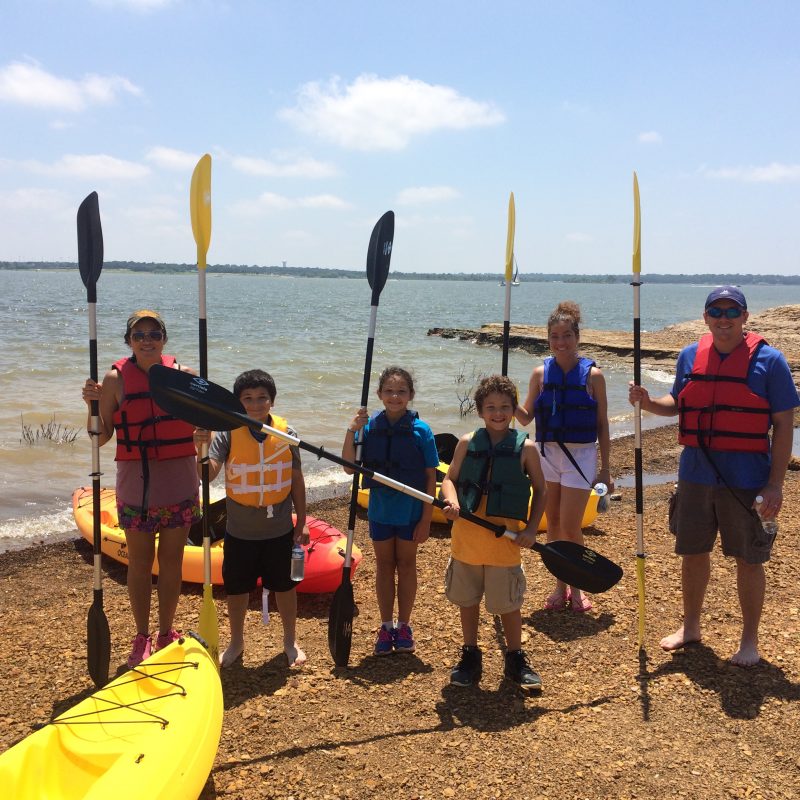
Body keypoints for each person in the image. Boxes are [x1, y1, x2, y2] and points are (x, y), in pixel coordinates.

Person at [629, 286, 799, 666]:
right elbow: (678, 402)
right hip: (695, 474)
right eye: (716, 311)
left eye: (731, 311)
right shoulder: (690, 355)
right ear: (705, 317)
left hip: (747, 477)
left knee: (749, 559)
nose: (724, 319)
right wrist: (648, 402)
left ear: (745, 317)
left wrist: (775, 483)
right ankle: (691, 627)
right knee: (692, 552)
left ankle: (749, 641)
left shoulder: (771, 362)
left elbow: (784, 425)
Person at [81, 310, 201, 668]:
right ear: (129, 341)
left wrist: (207, 434)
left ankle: (166, 631)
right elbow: (99, 436)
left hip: (178, 482)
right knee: (139, 564)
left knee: (171, 562)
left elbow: (203, 424)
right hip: (136, 486)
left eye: (154, 333)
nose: (146, 339)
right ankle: (141, 635)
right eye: (138, 334)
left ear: (164, 339)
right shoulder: (114, 380)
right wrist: (89, 405)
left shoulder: (184, 377)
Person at [193, 370, 308, 668]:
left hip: (279, 528)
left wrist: (303, 522)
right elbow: (209, 474)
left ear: (272, 401)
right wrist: (201, 450)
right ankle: (236, 642)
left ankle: (289, 640)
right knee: (237, 590)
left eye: (262, 398)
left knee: (285, 587)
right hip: (240, 531)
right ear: (237, 402)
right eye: (247, 399)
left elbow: (296, 481)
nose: (255, 405)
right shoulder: (228, 433)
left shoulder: (287, 433)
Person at [441, 375, 547, 692]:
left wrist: (530, 529)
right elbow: (450, 479)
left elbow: (542, 490)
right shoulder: (465, 443)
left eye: (504, 407)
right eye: (491, 407)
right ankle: (470, 654)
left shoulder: (526, 449)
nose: (497, 413)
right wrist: (453, 501)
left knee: (508, 605)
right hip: (467, 542)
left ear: (514, 409)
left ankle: (515, 657)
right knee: (467, 600)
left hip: (505, 545)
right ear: (480, 410)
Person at [514, 301, 613, 613]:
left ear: (577, 336)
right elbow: (526, 418)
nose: (561, 342)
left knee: (571, 526)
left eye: (567, 335)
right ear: (548, 339)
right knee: (553, 522)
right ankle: (560, 586)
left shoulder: (593, 376)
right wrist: (507, 398)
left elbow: (602, 424)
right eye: (555, 336)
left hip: (580, 456)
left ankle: (578, 588)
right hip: (547, 454)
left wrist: (606, 468)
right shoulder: (540, 374)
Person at [342, 366, 439, 655]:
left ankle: (404, 625)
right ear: (379, 394)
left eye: (401, 391)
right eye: (389, 391)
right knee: (385, 566)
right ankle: (386, 626)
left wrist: (426, 519)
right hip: (381, 510)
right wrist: (352, 429)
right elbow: (349, 467)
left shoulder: (422, 430)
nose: (395, 396)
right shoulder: (368, 427)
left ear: (410, 395)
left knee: (407, 565)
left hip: (410, 511)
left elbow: (430, 477)